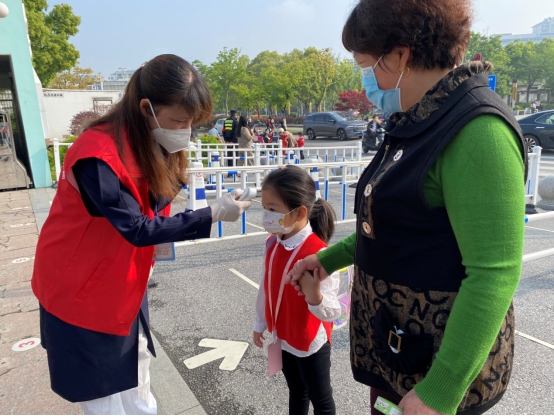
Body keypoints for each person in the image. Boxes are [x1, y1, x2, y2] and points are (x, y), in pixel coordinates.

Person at [289, 1, 526, 415]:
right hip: (397, 350)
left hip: (434, 367)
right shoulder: (417, 120)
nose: (366, 80)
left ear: (400, 56)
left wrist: (441, 390)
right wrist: (328, 260)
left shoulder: (479, 131)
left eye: (366, 66)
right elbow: (391, 225)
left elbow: (494, 273)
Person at [32, 55, 252, 416]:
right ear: (147, 108)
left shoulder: (145, 141)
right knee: (103, 397)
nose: (186, 131)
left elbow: (152, 210)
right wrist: (211, 214)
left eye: (191, 123)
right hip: (81, 288)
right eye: (180, 121)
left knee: (138, 373)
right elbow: (136, 227)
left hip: (121, 280)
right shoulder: (97, 155)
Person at [253, 166, 340, 416]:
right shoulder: (272, 242)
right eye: (264, 208)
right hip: (282, 336)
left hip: (309, 341)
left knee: (321, 400)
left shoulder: (319, 254)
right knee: (296, 391)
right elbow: (265, 286)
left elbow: (334, 311)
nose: (266, 216)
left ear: (300, 212)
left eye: (272, 209)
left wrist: (314, 296)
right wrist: (260, 323)